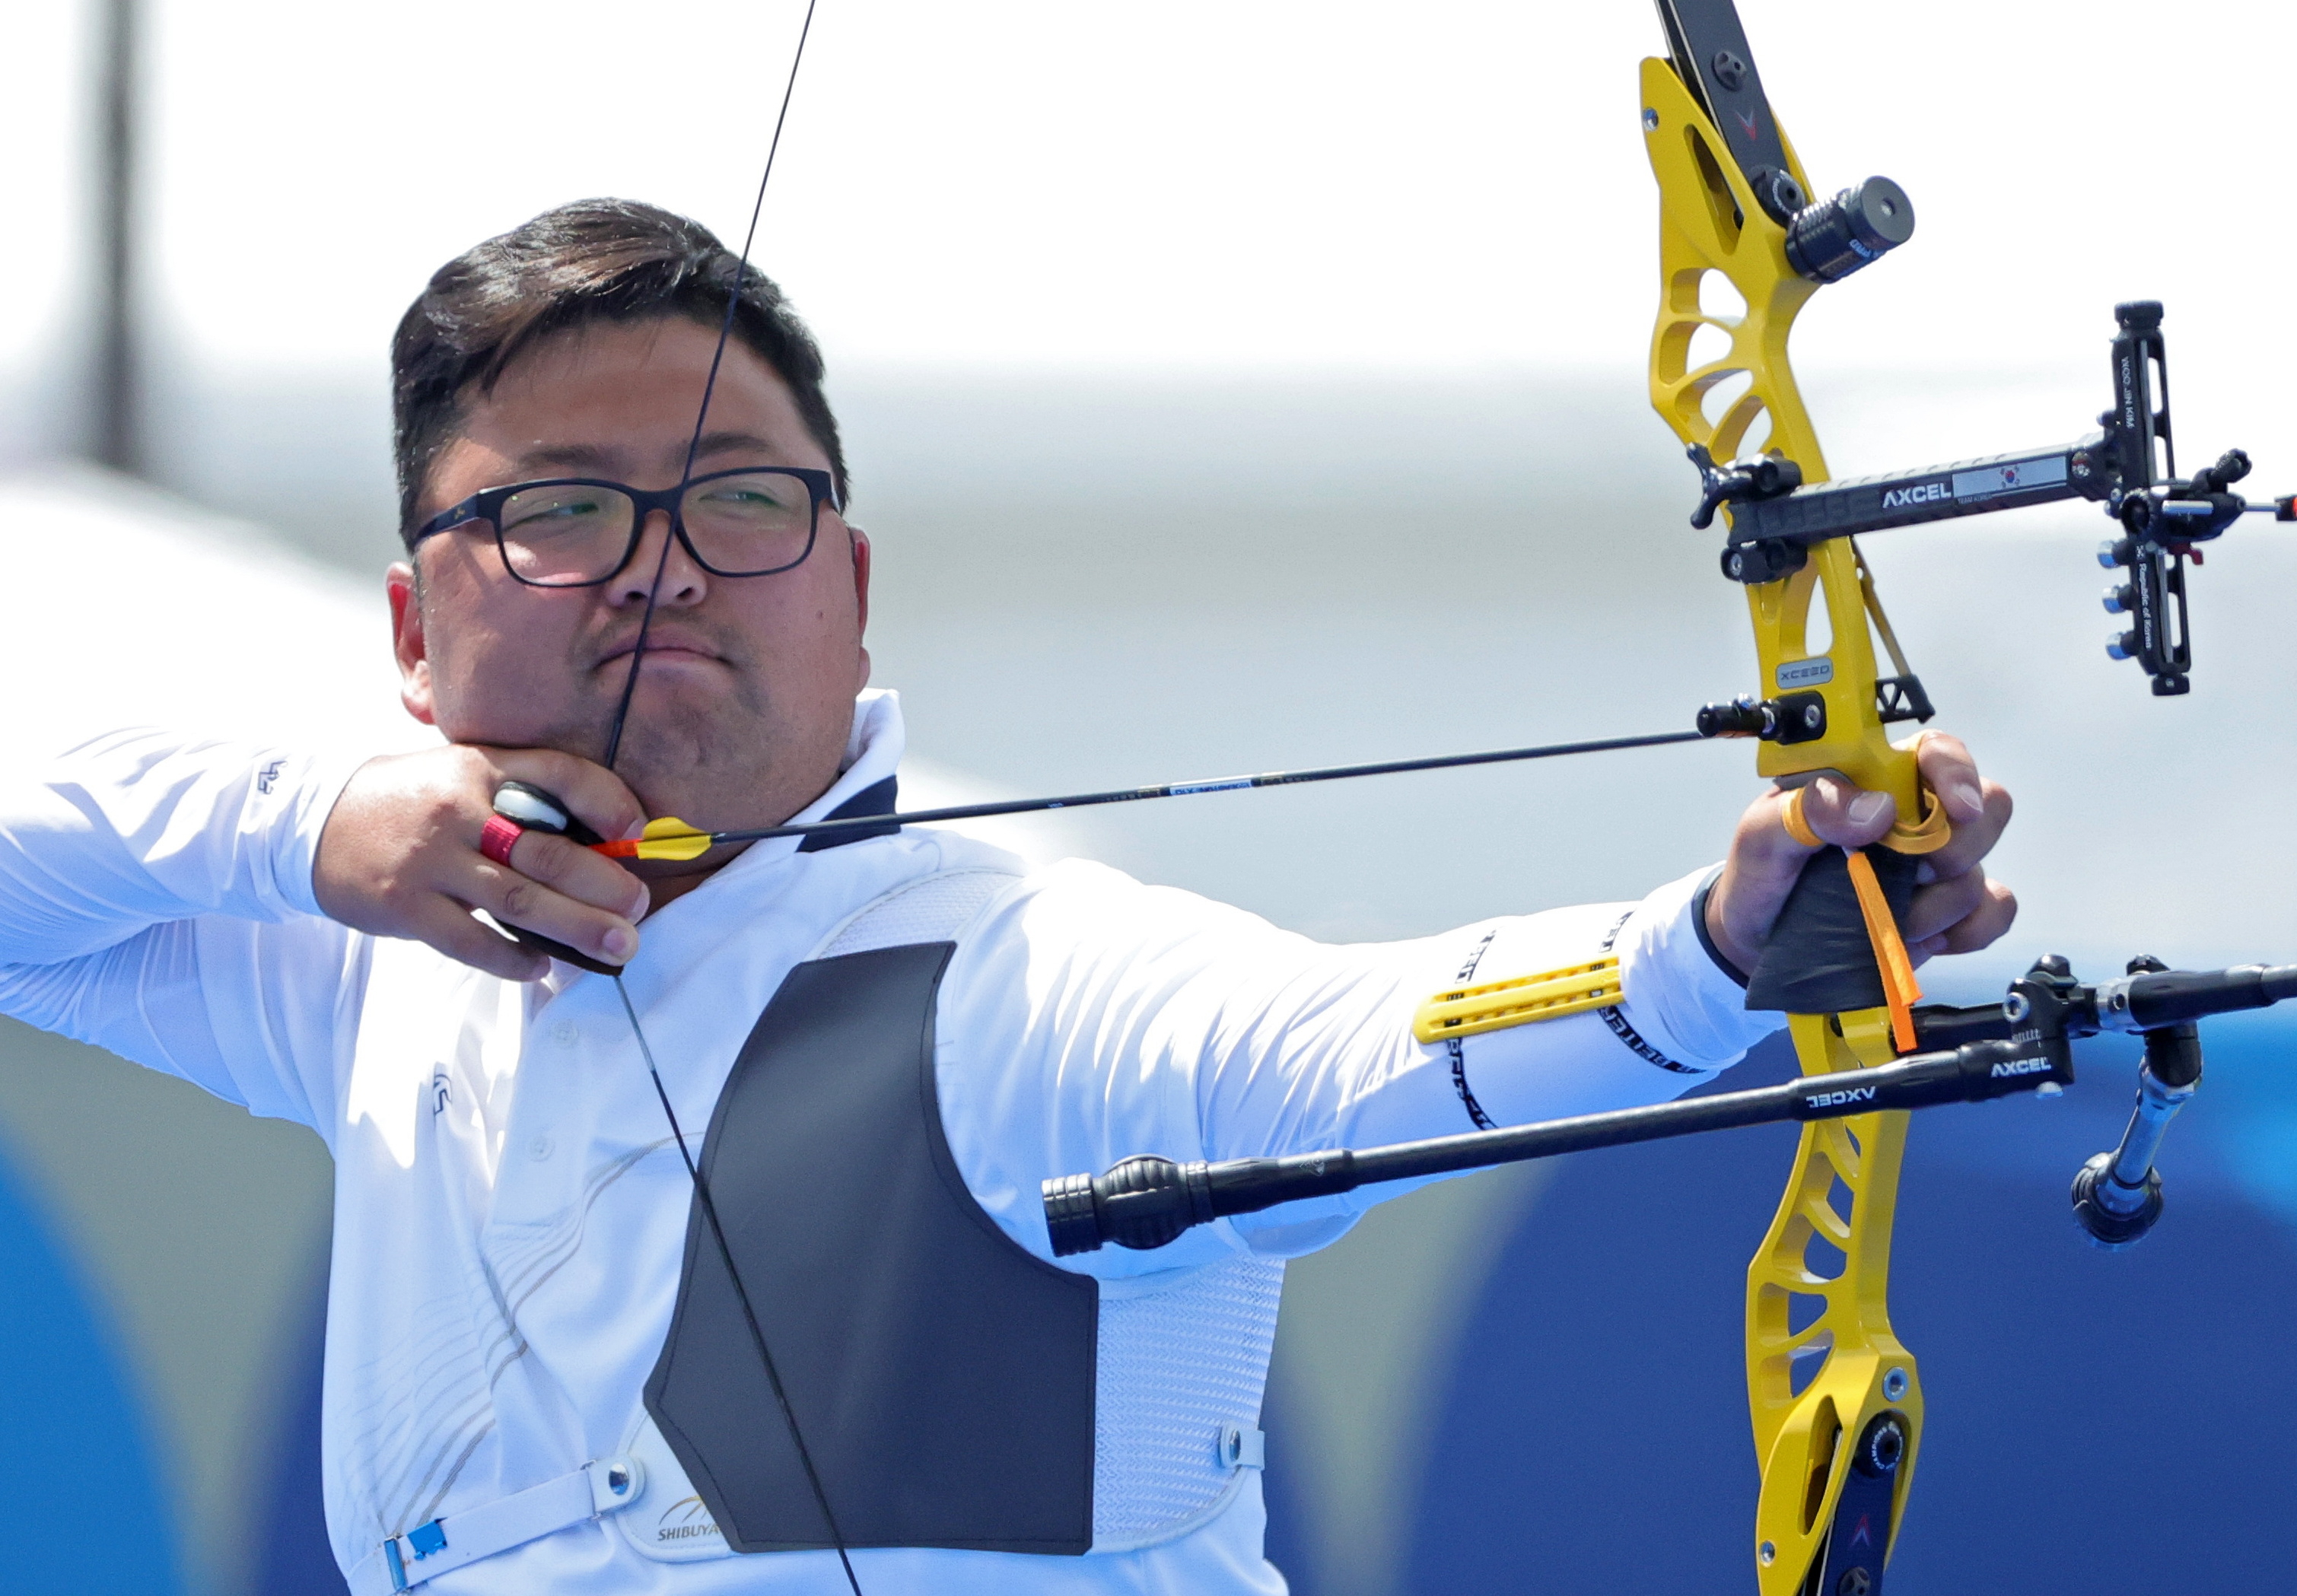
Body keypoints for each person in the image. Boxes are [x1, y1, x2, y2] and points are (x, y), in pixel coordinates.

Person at [0, 199, 2014, 1595]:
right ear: (412, 626)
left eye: (739, 499)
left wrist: (1717, 953)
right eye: (558, 512)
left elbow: (1360, 1044)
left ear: (848, 584)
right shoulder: (389, 967)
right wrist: (313, 821)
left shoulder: (1010, 977)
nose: (660, 565)